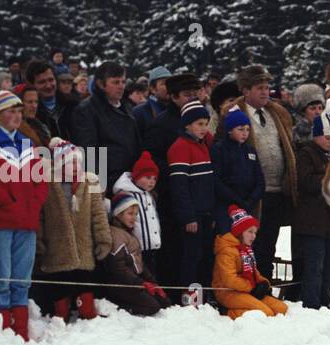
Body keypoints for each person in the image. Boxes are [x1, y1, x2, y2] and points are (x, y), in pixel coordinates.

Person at [0, 90, 49, 339]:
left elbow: (41, 179)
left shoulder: (27, 143)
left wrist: (34, 203)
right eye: (11, 111)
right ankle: (1, 333)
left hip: (26, 221)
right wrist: (6, 200)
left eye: (19, 111)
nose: (16, 115)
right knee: (0, 278)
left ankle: (21, 331)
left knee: (22, 280)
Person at [225, 65, 298, 279]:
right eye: (259, 87)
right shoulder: (231, 114)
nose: (265, 91)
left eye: (267, 87)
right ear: (245, 90)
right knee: (248, 243)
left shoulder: (278, 113)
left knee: (270, 243)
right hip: (248, 194)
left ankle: (264, 282)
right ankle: (248, 284)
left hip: (276, 191)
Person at [35, 141, 110, 321]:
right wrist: (39, 240)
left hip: (83, 245)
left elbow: (98, 214)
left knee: (84, 278)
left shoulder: (89, 182)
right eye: (70, 163)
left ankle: (87, 311)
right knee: (60, 281)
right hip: (57, 246)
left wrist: (103, 240)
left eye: (78, 162)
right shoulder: (48, 184)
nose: (75, 167)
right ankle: (60, 314)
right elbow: (40, 216)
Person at [292, 118, 330, 309]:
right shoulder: (306, 154)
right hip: (313, 222)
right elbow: (306, 182)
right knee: (314, 267)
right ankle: (311, 305)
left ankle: (324, 301)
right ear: (316, 136)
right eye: (327, 136)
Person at [61, 60, 140, 192]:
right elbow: (89, 152)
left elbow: (135, 144)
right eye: (115, 82)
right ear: (100, 84)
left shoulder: (127, 107)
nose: (121, 86)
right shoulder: (86, 110)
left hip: (131, 179)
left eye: (123, 82)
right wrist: (104, 187)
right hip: (109, 184)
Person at [167, 100, 216, 297]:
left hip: (206, 211)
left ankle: (203, 295)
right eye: (199, 124)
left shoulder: (203, 145)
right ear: (187, 125)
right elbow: (179, 187)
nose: (204, 129)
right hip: (192, 215)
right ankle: (188, 296)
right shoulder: (180, 147)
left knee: (205, 255)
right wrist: (188, 216)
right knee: (191, 257)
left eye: (206, 124)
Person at [100, 193, 174, 316]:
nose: (134, 218)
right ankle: (116, 307)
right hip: (121, 284)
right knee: (152, 307)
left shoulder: (129, 233)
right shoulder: (116, 235)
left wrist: (153, 282)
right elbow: (118, 269)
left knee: (165, 302)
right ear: (118, 214)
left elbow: (140, 264)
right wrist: (141, 283)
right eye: (130, 214)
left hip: (133, 282)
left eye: (135, 214)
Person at [213, 204, 289, 319]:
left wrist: (263, 283)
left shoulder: (247, 250)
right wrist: (252, 287)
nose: (253, 236)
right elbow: (229, 280)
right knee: (265, 313)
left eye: (255, 233)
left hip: (245, 290)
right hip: (227, 292)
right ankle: (227, 312)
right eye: (250, 232)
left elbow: (255, 273)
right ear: (239, 232)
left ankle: (241, 309)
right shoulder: (227, 251)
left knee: (282, 309)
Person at [211, 107, 265, 233]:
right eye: (240, 129)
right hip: (226, 206)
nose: (245, 133)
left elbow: (260, 179)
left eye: (247, 130)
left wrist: (251, 200)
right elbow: (216, 180)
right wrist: (237, 200)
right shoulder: (219, 149)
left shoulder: (250, 150)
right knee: (228, 241)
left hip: (248, 206)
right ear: (230, 130)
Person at [111, 152, 163, 261]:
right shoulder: (127, 194)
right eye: (148, 177)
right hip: (136, 246)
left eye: (154, 179)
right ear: (137, 176)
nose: (152, 182)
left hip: (152, 245)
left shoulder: (150, 195)